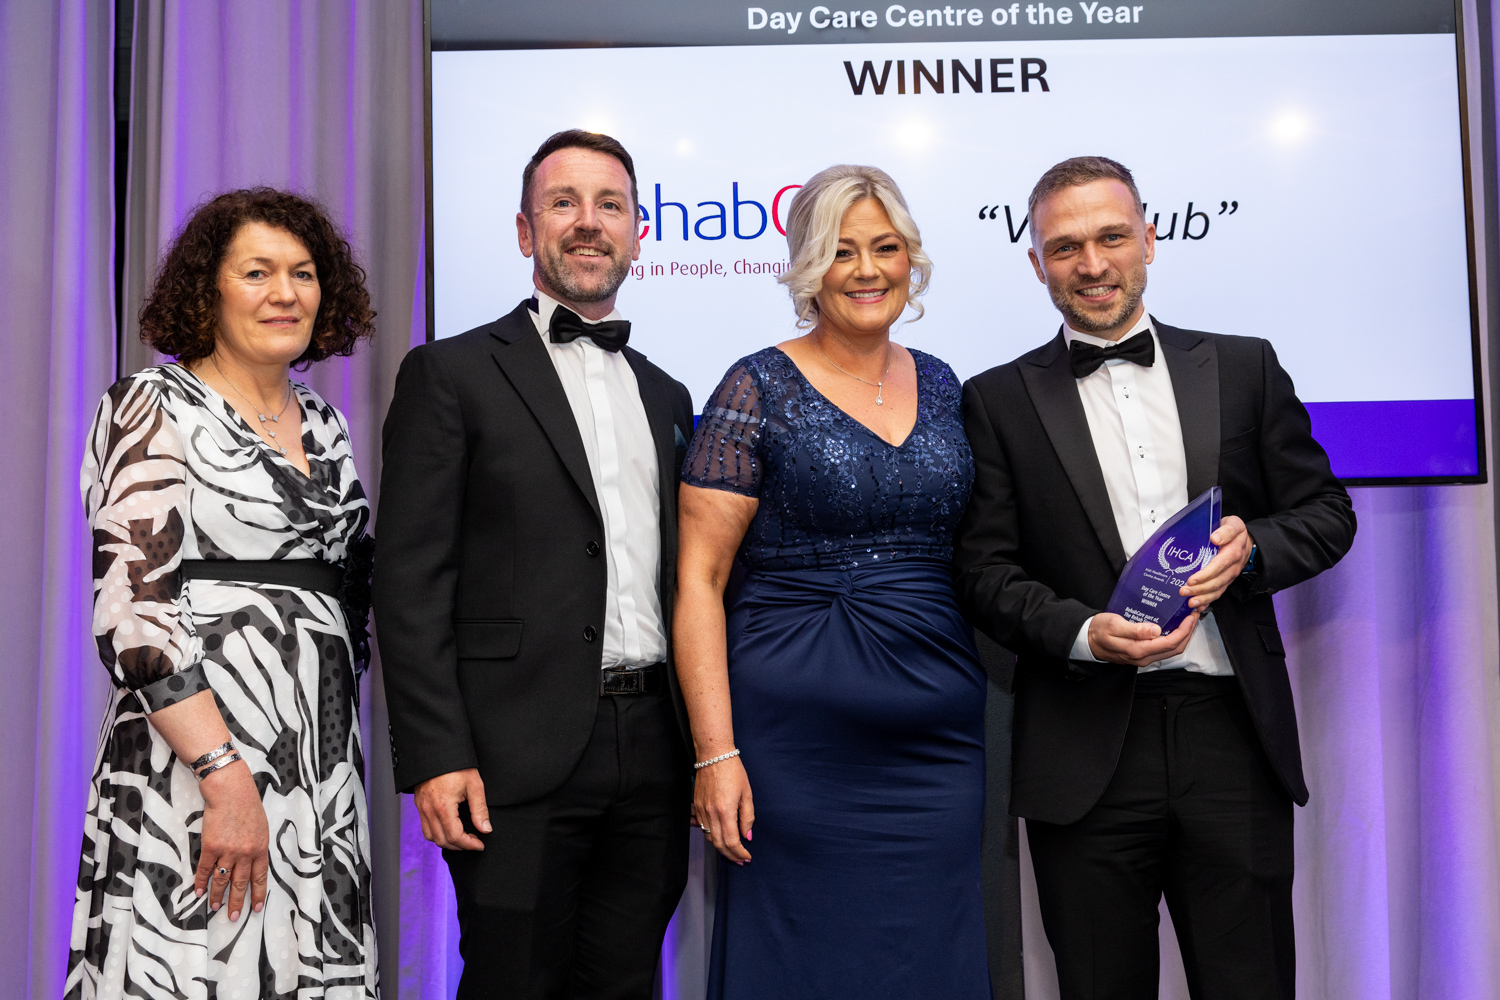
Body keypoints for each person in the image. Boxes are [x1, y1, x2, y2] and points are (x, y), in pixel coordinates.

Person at [954, 156, 1357, 1000]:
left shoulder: (1245, 367)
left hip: (1231, 736)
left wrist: (1254, 551)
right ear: (1035, 263)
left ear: (1149, 238)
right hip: (1082, 746)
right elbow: (983, 573)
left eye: (1111, 237)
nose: (1091, 264)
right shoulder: (995, 400)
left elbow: (1326, 513)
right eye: (1065, 247)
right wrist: (1081, 632)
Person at [375, 129, 696, 999]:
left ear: (638, 233)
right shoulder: (449, 374)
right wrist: (435, 754)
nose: (589, 222)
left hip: (655, 750)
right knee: (512, 981)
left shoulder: (668, 394)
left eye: (610, 205)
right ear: (525, 231)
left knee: (626, 983)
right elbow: (408, 582)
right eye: (564, 203)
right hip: (509, 754)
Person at [676, 164, 990, 999]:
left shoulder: (945, 383)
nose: (866, 270)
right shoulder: (754, 386)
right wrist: (716, 753)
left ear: (910, 258)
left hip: (938, 741)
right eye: (840, 251)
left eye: (885, 247)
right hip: (793, 747)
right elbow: (699, 580)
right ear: (808, 268)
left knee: (932, 955)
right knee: (799, 960)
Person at [66, 188, 380, 998]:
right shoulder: (150, 404)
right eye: (257, 272)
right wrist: (222, 772)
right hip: (198, 757)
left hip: (318, 765)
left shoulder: (326, 423)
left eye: (303, 273)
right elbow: (135, 610)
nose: (286, 293)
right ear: (207, 289)